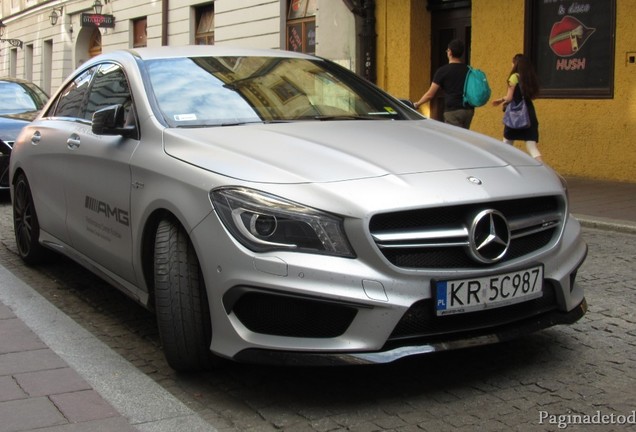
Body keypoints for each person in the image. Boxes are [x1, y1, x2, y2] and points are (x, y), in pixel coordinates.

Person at [413, 39, 474, 129]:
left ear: (450, 52)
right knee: (463, 137)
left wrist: (417, 104)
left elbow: (430, 94)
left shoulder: (443, 71)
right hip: (468, 110)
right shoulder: (468, 70)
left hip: (453, 111)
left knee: (453, 138)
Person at [492, 54, 542, 162]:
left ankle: (505, 169)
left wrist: (501, 100)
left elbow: (510, 98)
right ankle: (542, 168)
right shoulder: (529, 78)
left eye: (512, 62)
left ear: (515, 64)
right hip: (528, 113)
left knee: (506, 144)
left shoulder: (514, 77)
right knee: (532, 147)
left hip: (515, 115)